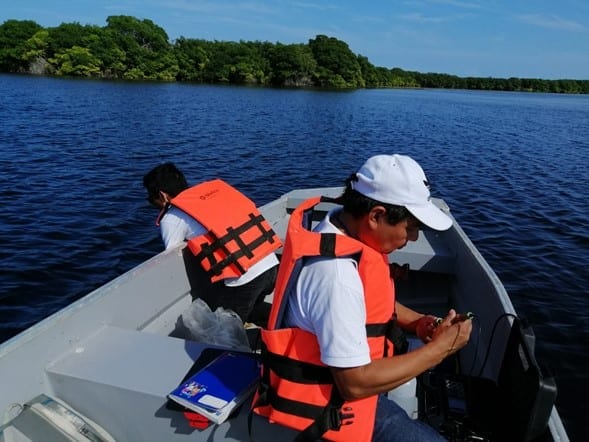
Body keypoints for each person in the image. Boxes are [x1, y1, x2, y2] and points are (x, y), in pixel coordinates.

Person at [253, 154, 472, 441]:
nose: (415, 238)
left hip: (344, 390)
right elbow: (354, 383)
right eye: (411, 227)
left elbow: (363, 305)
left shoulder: (338, 229)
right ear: (376, 215)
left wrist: (419, 322)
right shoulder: (336, 277)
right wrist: (441, 350)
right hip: (333, 413)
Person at [143, 162, 280, 326]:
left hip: (246, 279)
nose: (152, 203)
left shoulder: (172, 218)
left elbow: (172, 256)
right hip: (271, 266)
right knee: (249, 307)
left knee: (227, 333)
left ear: (163, 195)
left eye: (152, 198)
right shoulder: (213, 196)